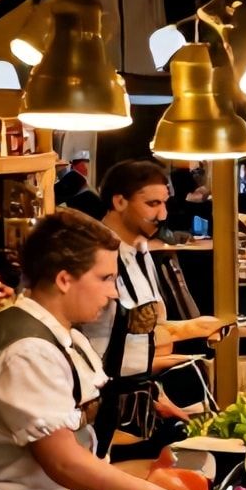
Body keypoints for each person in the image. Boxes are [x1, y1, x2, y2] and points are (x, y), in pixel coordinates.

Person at [0, 210, 209, 490]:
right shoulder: (28, 352)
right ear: (65, 279)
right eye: (104, 278)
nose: (113, 292)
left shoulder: (55, 329)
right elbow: (66, 465)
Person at [81, 161, 227, 439]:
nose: (163, 214)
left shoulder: (141, 249)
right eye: (152, 204)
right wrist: (194, 328)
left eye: (165, 203)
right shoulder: (94, 258)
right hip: (99, 413)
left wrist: (156, 393)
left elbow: (148, 335)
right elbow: (106, 345)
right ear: (119, 201)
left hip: (139, 399)